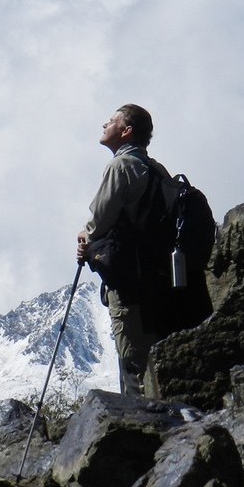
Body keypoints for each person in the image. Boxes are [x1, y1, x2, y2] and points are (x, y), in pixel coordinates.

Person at [76, 104, 171, 398]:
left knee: (132, 359)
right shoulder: (157, 170)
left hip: (128, 280)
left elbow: (101, 219)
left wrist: (85, 239)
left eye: (113, 120)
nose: (105, 123)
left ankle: (140, 425)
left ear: (126, 131)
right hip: (159, 278)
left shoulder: (120, 167)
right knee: (155, 354)